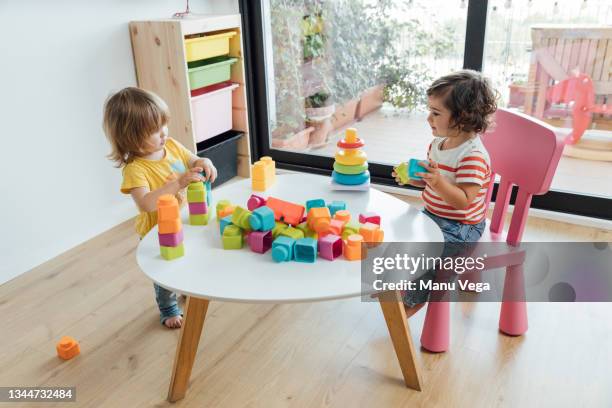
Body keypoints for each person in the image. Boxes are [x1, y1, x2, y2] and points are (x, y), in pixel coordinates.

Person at [103, 87, 217, 329]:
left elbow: (193, 160)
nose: (163, 133)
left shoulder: (173, 146)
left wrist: (203, 162)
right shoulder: (135, 169)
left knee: (187, 256)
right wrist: (178, 183)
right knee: (164, 271)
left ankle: (186, 286)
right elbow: (145, 203)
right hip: (157, 230)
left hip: (182, 218)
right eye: (154, 131)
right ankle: (168, 308)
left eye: (163, 124)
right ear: (130, 138)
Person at [392, 70, 497, 316]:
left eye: (436, 113)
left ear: (462, 118)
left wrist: (437, 182)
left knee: (429, 256)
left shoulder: (472, 156)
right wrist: (417, 180)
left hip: (461, 227)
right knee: (402, 234)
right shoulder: (438, 143)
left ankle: (413, 299)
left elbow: (462, 202)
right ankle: (398, 283)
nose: (429, 118)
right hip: (434, 214)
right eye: (430, 110)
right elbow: (434, 184)